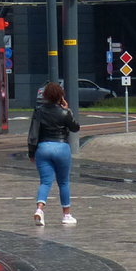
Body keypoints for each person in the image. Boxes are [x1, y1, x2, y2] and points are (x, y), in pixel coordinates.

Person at [27, 82, 80, 226]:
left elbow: (33, 133)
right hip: (62, 147)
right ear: (60, 96)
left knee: (45, 182)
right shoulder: (64, 112)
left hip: (43, 148)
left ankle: (39, 209)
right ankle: (66, 215)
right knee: (63, 182)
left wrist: (31, 152)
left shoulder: (39, 111)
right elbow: (75, 127)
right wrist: (68, 110)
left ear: (45, 96)